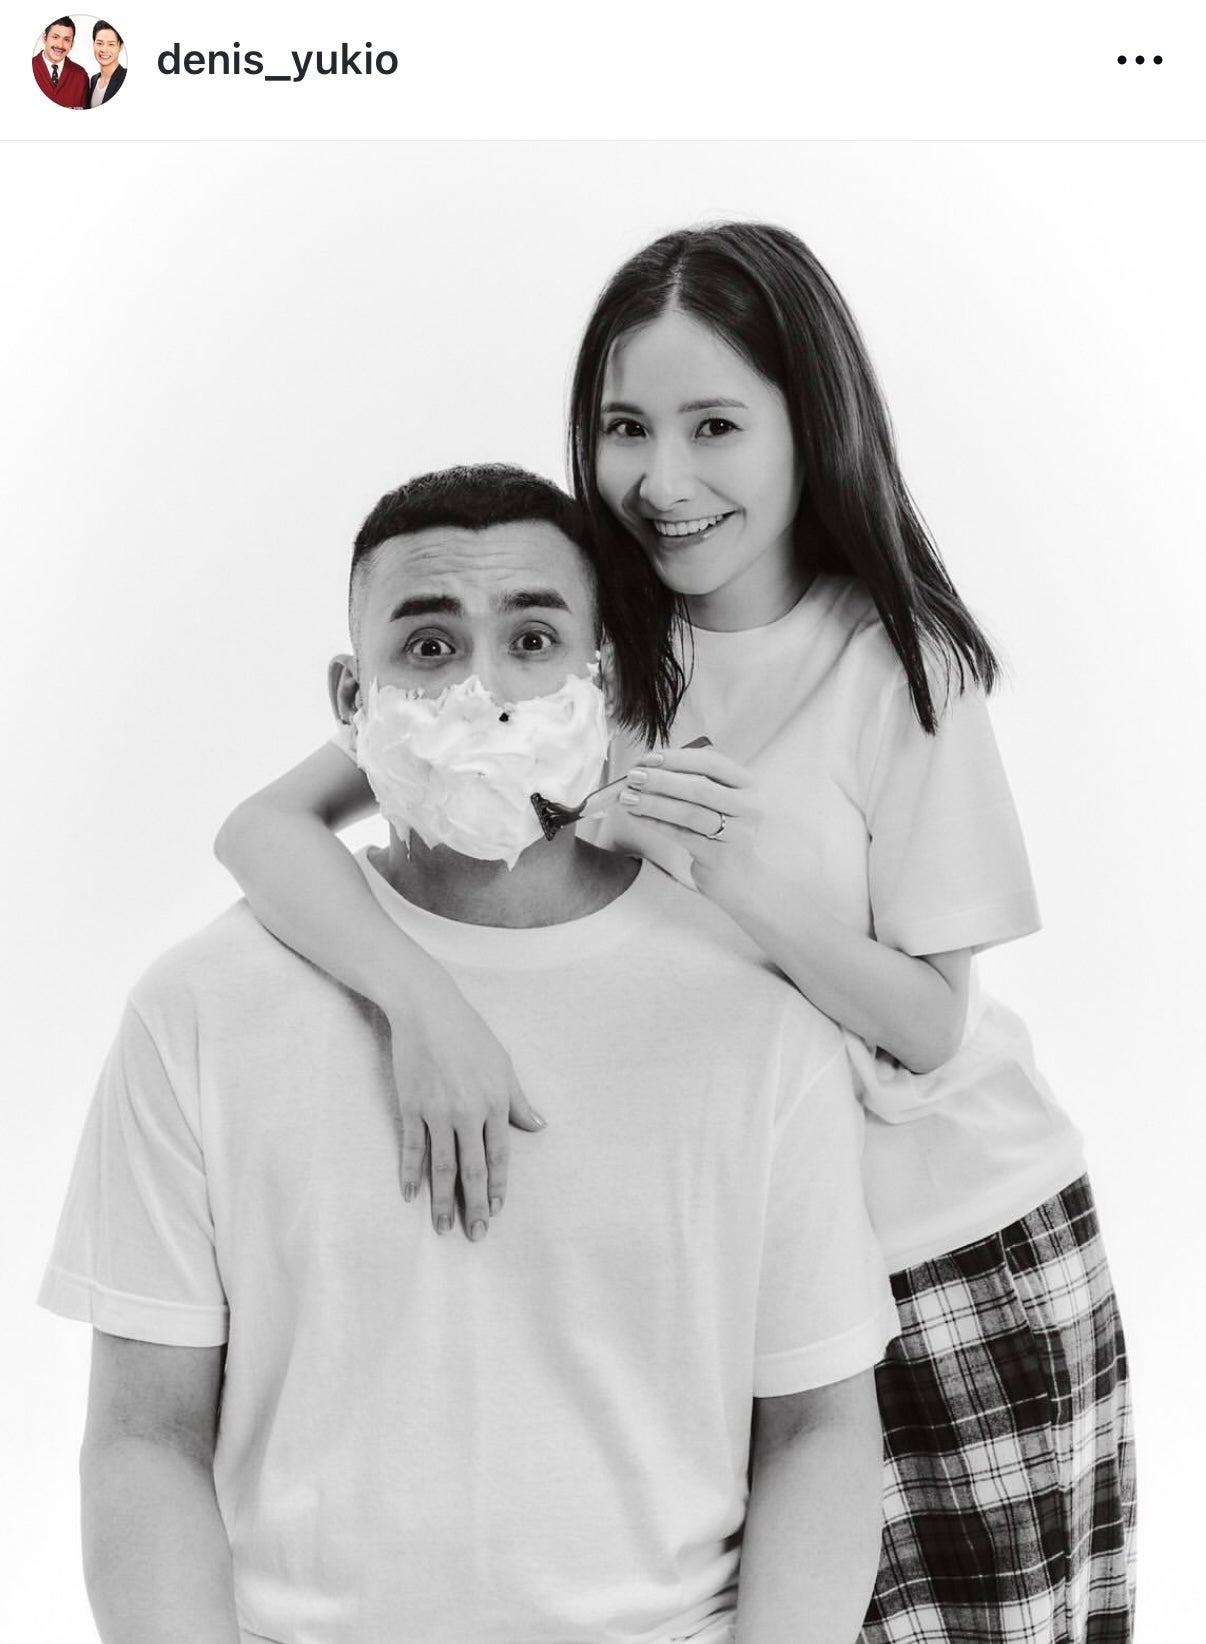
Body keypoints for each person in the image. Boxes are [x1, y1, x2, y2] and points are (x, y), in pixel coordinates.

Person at [214, 224, 1136, 1644]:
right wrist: (423, 1010)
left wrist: (731, 872)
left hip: (940, 1255)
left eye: (715, 426)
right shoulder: (578, 645)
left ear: (809, 423)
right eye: (625, 428)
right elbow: (266, 832)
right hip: (722, 1281)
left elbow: (932, 1023)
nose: (663, 480)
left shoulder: (896, 667)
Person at [39, 463, 898, 1644]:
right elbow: (145, 1435)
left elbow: (818, 1429)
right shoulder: (197, 1012)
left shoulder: (756, 1019)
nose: (483, 689)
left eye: (532, 640)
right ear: (353, 697)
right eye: (430, 648)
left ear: (607, 680)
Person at [32, 16, 88, 108]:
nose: (60, 45)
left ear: (72, 44)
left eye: (66, 40)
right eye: (55, 37)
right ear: (44, 38)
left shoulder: (81, 75)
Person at [87, 21, 125, 109]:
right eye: (99, 43)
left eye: (111, 44)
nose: (104, 49)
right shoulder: (93, 80)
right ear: (93, 44)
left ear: (120, 47)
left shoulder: (125, 77)